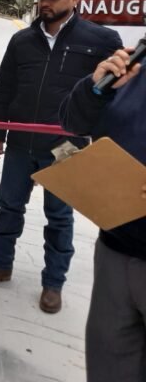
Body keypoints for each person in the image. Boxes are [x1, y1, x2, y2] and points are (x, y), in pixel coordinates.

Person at [0, 0, 123, 313]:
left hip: (65, 145)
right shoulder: (22, 40)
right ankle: (0, 264)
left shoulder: (100, 39)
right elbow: (4, 85)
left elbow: (115, 91)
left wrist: (100, 137)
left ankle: (53, 283)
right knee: (8, 205)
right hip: (21, 141)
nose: (45, 2)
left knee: (58, 216)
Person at [59, 46, 145, 381]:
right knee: (108, 366)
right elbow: (72, 121)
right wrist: (94, 87)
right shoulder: (132, 67)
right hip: (115, 248)